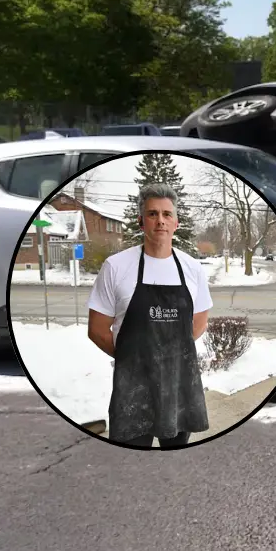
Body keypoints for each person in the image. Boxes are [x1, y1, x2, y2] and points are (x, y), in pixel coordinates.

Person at [86, 183, 213, 448]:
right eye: (153, 214)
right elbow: (97, 329)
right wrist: (134, 360)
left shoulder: (192, 268)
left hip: (179, 386)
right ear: (140, 221)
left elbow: (200, 320)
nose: (160, 221)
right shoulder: (116, 267)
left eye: (167, 214)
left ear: (176, 222)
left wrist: (170, 358)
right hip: (133, 388)